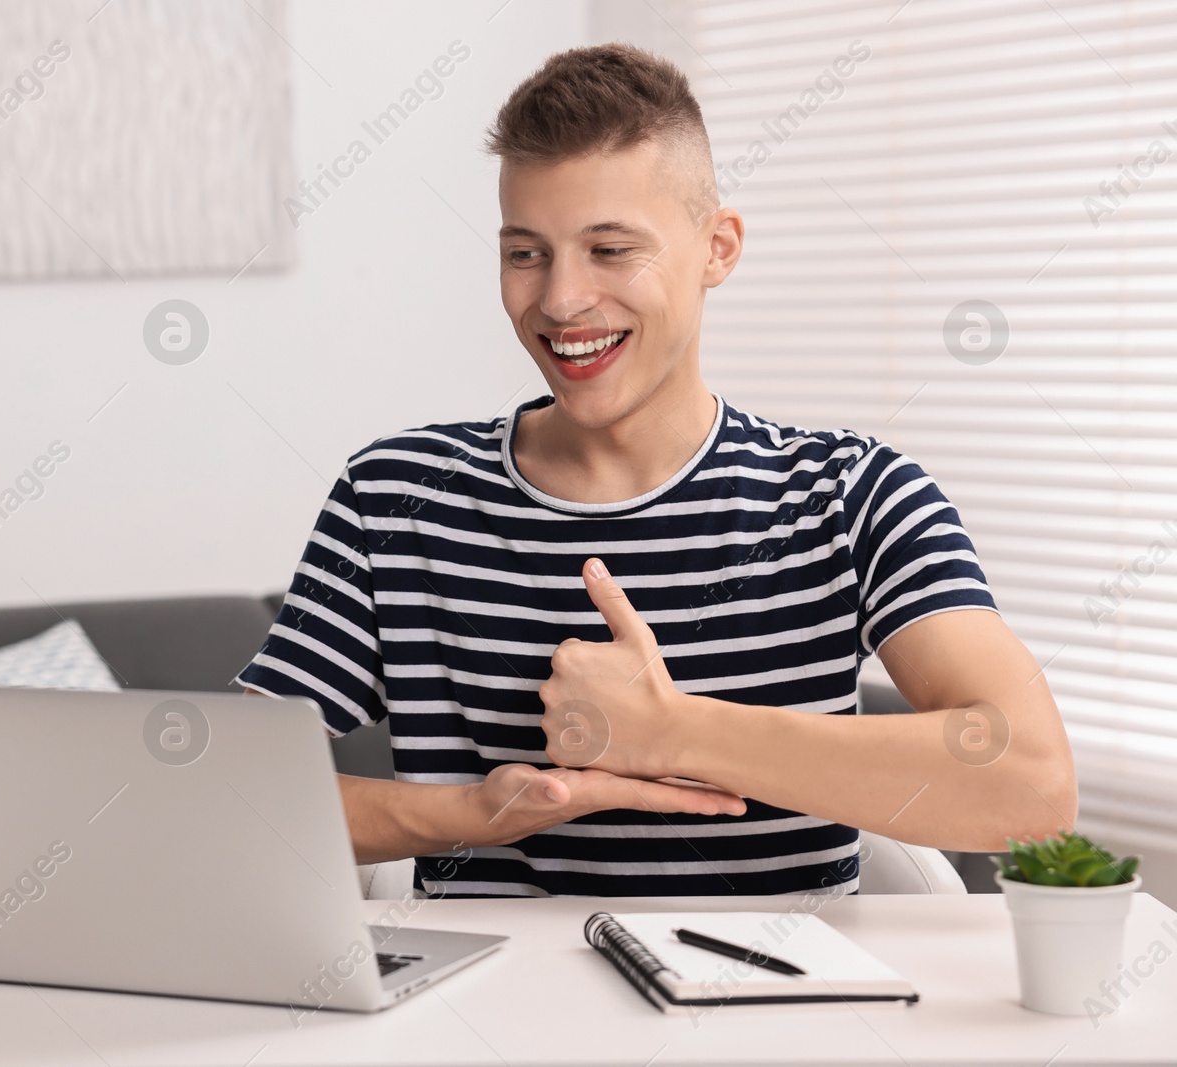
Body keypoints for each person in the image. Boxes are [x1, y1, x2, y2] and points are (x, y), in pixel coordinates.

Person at [238, 43, 1076, 897]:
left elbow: (1031, 783)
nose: (560, 300)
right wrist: (474, 812)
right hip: (492, 1019)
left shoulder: (851, 495)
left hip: (784, 1015)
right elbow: (228, 795)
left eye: (610, 249)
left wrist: (669, 731)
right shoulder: (398, 496)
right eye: (526, 252)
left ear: (717, 248)